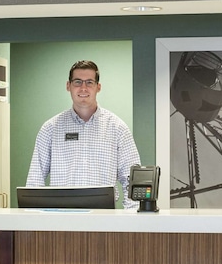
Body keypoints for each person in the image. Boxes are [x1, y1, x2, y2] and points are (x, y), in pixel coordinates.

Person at [25, 60, 141, 209]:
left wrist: (131, 217)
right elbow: (35, 180)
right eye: (78, 82)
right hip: (61, 215)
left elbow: (132, 180)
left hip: (104, 217)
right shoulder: (50, 129)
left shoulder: (117, 128)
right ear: (68, 86)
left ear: (98, 87)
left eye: (89, 82)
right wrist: (35, 217)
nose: (83, 88)